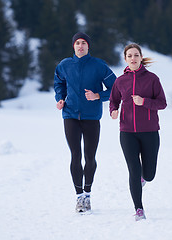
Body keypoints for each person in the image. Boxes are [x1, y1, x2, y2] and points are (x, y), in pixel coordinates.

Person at [54, 32, 116, 213]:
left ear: (89, 46)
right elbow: (59, 84)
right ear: (73, 46)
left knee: (90, 156)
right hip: (70, 115)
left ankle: (87, 194)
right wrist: (60, 98)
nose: (80, 46)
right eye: (77, 43)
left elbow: (116, 88)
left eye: (84, 43)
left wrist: (98, 95)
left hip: (91, 117)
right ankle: (78, 196)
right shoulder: (64, 65)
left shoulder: (99, 65)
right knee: (75, 156)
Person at [109, 43, 167, 221]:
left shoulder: (152, 79)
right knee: (134, 171)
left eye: (136, 55)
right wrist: (113, 111)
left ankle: (143, 179)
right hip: (127, 132)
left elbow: (162, 103)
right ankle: (139, 209)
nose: (133, 58)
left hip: (149, 131)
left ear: (141, 57)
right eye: (129, 56)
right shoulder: (120, 81)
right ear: (125, 59)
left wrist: (145, 102)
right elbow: (113, 100)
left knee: (148, 174)